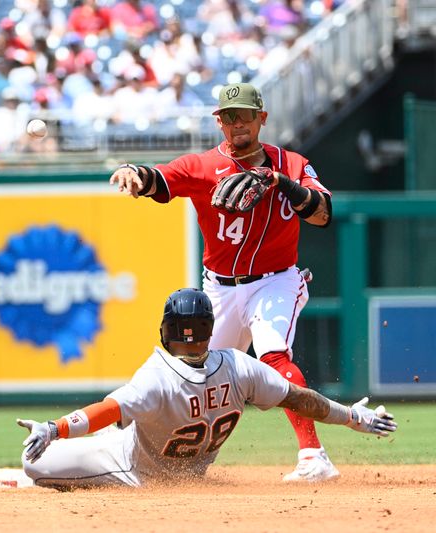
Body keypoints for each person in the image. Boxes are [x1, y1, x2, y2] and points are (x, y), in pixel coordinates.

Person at [108, 82, 336, 483]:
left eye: (244, 115)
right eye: (228, 117)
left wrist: (281, 183)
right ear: (219, 123)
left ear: (261, 118)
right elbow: (159, 179)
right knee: (197, 376)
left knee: (273, 357)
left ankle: (313, 456)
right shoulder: (202, 166)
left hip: (276, 281)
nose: (237, 125)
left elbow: (322, 214)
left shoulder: (292, 163)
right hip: (220, 288)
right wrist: (134, 172)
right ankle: (176, 465)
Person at [17, 288, 397, 489]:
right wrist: (352, 417)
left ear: (165, 331)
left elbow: (107, 411)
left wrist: (54, 428)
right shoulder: (239, 365)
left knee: (32, 463)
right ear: (209, 328)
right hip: (186, 473)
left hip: (132, 470)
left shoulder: (156, 377)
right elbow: (300, 399)